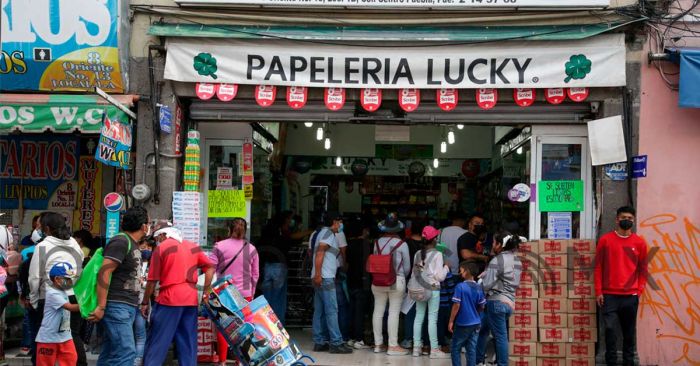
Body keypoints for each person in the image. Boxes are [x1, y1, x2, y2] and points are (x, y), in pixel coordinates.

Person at [142, 220, 215, 366]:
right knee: (188, 342)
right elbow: (210, 268)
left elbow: (152, 281)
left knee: (159, 341)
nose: (157, 242)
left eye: (157, 239)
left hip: (169, 299)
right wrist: (206, 291)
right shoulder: (192, 246)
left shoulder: (162, 248)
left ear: (162, 235)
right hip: (190, 299)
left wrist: (145, 303)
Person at [88, 207, 150, 366]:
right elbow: (104, 273)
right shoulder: (121, 241)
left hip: (126, 306)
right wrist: (101, 307)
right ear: (144, 226)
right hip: (117, 305)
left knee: (110, 352)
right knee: (126, 351)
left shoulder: (132, 243)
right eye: (148, 223)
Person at [28, 212, 86, 366]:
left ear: (47, 228)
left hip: (48, 296)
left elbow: (34, 277)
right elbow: (80, 265)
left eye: (40, 226)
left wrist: (33, 300)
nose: (38, 229)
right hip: (72, 294)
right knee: (72, 335)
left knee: (44, 337)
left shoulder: (43, 246)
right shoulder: (74, 243)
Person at [595, 206, 648, 366]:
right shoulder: (605, 240)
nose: (627, 220)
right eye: (624, 217)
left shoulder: (639, 242)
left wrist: (638, 291)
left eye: (630, 218)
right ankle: (610, 362)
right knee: (610, 332)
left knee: (629, 334)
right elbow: (598, 267)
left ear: (633, 221)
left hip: (630, 297)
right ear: (617, 219)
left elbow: (643, 269)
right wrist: (599, 291)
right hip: (609, 296)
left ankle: (629, 362)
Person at [208, 217, 259, 365]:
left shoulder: (219, 246)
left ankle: (222, 361)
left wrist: (208, 289)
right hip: (245, 294)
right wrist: (252, 291)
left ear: (229, 230)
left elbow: (211, 268)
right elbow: (255, 275)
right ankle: (239, 361)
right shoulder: (252, 249)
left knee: (224, 327)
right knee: (242, 327)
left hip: (225, 293)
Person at [475, 232, 523, 366]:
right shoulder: (517, 260)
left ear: (500, 245)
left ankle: (502, 363)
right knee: (484, 329)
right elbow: (509, 281)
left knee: (500, 336)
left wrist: (481, 279)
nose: (492, 245)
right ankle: (478, 360)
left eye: (494, 243)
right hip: (509, 303)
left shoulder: (497, 260)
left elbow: (487, 285)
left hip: (496, 302)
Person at [309, 213, 353, 354]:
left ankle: (319, 341)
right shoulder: (328, 233)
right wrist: (318, 274)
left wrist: (316, 275)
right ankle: (336, 342)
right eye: (340, 222)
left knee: (320, 310)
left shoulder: (322, 233)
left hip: (321, 277)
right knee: (332, 310)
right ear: (335, 221)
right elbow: (321, 253)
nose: (341, 225)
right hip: (324, 277)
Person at [371, 213, 411, 356]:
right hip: (395, 282)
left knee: (378, 311)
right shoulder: (402, 244)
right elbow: (407, 267)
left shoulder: (376, 243)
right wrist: (401, 277)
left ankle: (378, 344)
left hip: (377, 281)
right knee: (393, 312)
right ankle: (393, 346)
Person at [411, 226, 450, 359]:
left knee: (418, 317)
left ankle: (416, 348)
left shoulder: (417, 254)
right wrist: (446, 267)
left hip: (419, 288)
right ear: (434, 239)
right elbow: (440, 277)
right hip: (433, 289)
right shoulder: (438, 254)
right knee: (432, 319)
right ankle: (434, 349)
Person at [35, 262, 80, 366]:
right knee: (45, 363)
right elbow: (71, 307)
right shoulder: (52, 293)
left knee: (71, 360)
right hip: (48, 339)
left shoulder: (63, 292)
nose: (70, 282)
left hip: (65, 337)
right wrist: (87, 305)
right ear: (57, 279)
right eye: (68, 279)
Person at [449, 262, 486, 366]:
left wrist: (451, 321)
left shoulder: (460, 286)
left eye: (461, 270)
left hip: (463, 323)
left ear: (467, 271)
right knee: (471, 349)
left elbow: (456, 305)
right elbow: (482, 306)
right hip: (476, 323)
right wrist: (475, 313)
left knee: (455, 347)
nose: (460, 273)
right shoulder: (479, 287)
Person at [345, 216, 372, 350]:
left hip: (351, 280)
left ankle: (351, 338)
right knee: (360, 312)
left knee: (352, 309)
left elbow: (346, 264)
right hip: (363, 281)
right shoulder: (367, 245)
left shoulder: (349, 245)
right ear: (363, 231)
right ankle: (359, 339)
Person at [401, 220, 427, 350]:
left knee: (409, 310)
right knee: (422, 311)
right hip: (426, 282)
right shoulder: (426, 245)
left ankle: (408, 338)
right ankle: (420, 339)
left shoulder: (406, 243)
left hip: (410, 279)